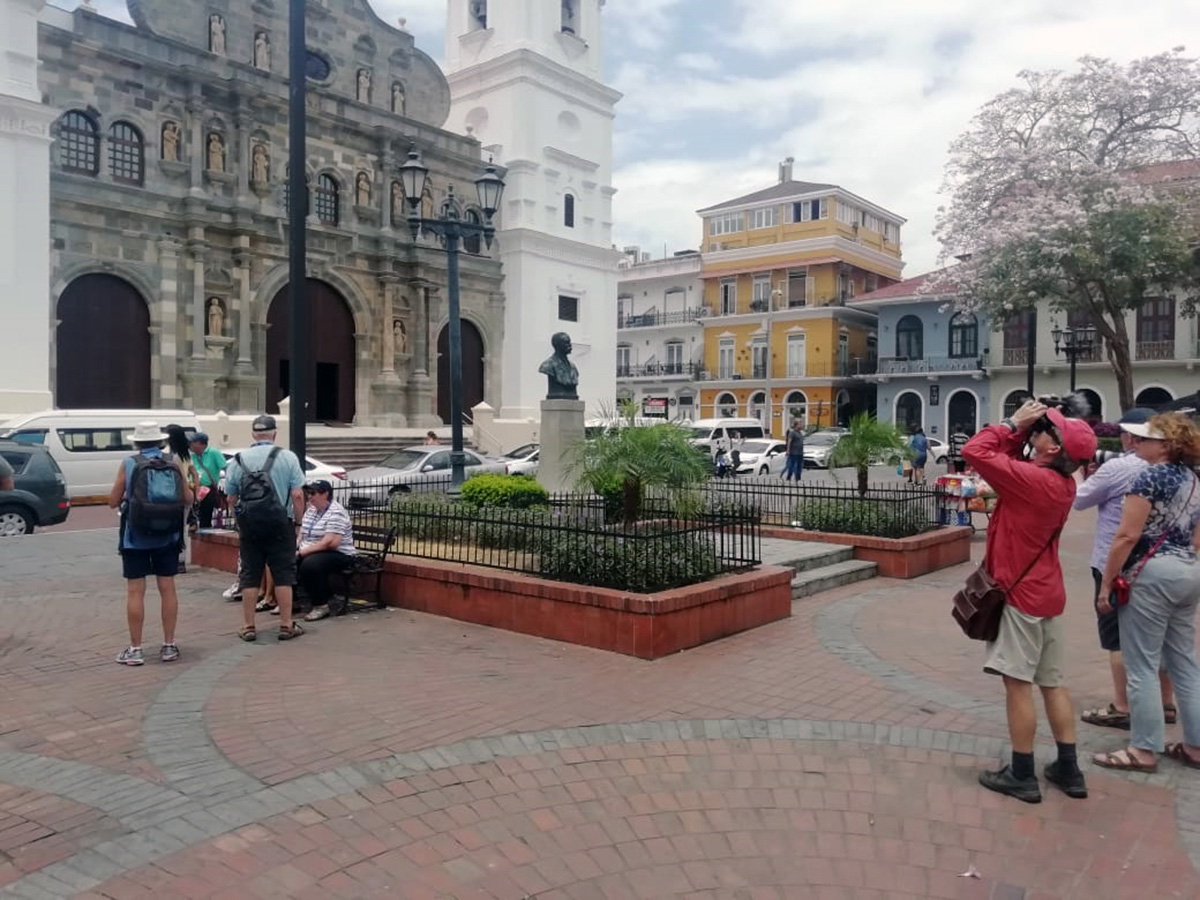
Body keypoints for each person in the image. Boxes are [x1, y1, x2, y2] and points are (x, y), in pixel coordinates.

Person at [964, 400, 1097, 803]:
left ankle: (1022, 772)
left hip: (1021, 598)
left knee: (1017, 684)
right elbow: (999, 460)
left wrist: (1010, 423)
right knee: (1053, 683)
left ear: (1053, 447)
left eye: (1044, 427)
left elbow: (975, 451)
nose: (1036, 428)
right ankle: (1069, 770)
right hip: (1048, 593)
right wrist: (1024, 432)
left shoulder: (1032, 482)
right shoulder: (1059, 481)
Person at [1094, 413, 1200, 773]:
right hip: (1187, 569)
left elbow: (1127, 535)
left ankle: (1143, 749)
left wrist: (1107, 583)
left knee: (1141, 665)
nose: (1136, 443)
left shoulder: (1150, 476)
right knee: (1184, 662)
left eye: (1145, 439)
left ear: (1167, 444)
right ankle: (1195, 746)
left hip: (1151, 575)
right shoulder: (1194, 478)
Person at [1074, 408, 1176, 731]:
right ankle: (1166, 703)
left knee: (1116, 637)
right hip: (1163, 564)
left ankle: (1122, 705)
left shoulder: (1119, 467)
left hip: (1115, 563)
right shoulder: (1178, 470)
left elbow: (1079, 499)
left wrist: (1079, 471)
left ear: (1132, 437)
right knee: (1160, 636)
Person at [108, 422, 193, 665]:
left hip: (135, 536)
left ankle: (135, 649)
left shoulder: (130, 462)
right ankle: (169, 646)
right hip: (168, 535)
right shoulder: (173, 462)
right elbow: (188, 497)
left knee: (136, 590)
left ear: (137, 442)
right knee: (167, 587)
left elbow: (113, 500)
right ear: (160, 441)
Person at [224, 414, 307, 642]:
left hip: (250, 526)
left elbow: (231, 497)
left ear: (253, 434)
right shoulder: (288, 457)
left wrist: (238, 520)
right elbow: (298, 495)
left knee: (250, 574)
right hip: (280, 524)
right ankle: (286, 625)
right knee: (283, 574)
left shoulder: (238, 460)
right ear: (274, 434)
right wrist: (298, 523)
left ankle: (249, 626)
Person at [297, 480, 356, 621]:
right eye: (308, 493)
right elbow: (302, 534)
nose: (309, 497)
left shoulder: (336, 512)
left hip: (340, 554)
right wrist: (296, 547)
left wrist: (302, 552)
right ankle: (293, 600)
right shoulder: (311, 511)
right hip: (314, 549)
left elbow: (331, 543)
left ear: (325, 494)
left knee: (310, 565)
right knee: (284, 559)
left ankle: (321, 605)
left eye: (313, 493)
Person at [165, 424, 200, 570]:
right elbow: (194, 474)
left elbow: (180, 477)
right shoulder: (185, 454)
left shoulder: (170, 455)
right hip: (187, 494)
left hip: (173, 494)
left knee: (171, 528)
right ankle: (181, 560)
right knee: (182, 527)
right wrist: (196, 492)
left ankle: (174, 559)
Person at [189, 432, 226, 530]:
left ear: (201, 444)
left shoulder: (214, 453)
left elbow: (225, 467)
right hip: (193, 488)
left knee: (205, 516)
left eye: (193, 442)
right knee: (193, 516)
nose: (190, 445)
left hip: (208, 490)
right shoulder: (192, 456)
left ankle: (204, 534)